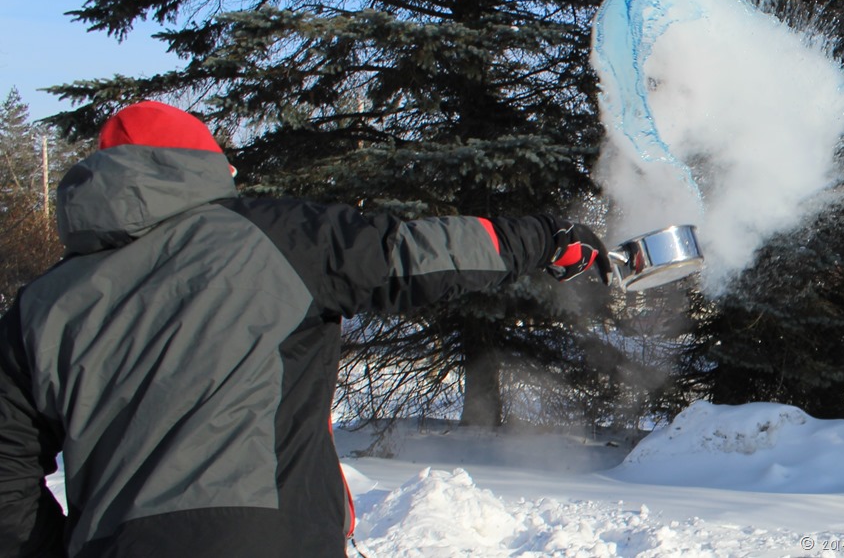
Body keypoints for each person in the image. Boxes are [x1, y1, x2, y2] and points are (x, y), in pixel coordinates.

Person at [0, 100, 610, 558]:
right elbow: (415, 253)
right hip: (268, 539)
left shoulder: (39, 306)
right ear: (202, 166)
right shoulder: (276, 237)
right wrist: (545, 238)